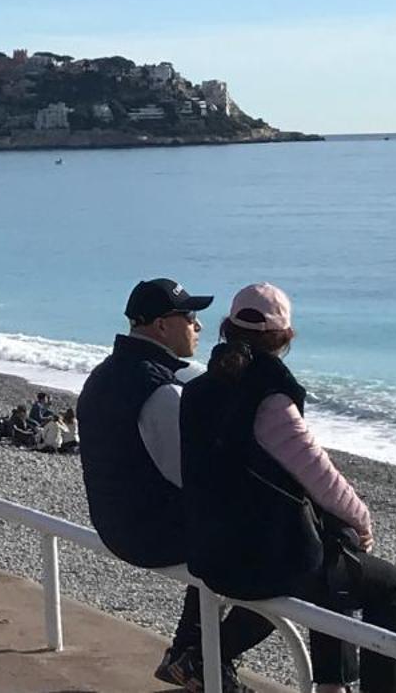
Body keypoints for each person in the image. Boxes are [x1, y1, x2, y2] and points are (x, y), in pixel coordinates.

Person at [182, 284, 396, 693]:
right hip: (262, 559)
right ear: (284, 339)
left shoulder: (198, 391)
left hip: (210, 550)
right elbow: (320, 476)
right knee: (386, 582)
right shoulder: (269, 400)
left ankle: (330, 685)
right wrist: (363, 521)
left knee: (331, 554)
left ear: (226, 329)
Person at [78, 276, 269, 691]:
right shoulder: (160, 390)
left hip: (112, 521)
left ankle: (188, 653)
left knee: (226, 530)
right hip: (148, 535)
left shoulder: (104, 375)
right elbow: (194, 480)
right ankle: (203, 657)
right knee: (282, 557)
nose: (199, 326)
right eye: (190, 317)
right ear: (161, 325)